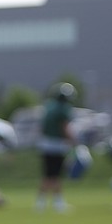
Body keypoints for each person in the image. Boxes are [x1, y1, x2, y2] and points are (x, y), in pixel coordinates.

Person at [36, 82, 77, 212]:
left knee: (48, 175)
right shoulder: (63, 109)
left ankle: (41, 202)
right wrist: (73, 141)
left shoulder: (49, 106)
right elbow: (64, 127)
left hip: (45, 143)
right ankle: (57, 202)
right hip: (56, 145)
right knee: (55, 175)